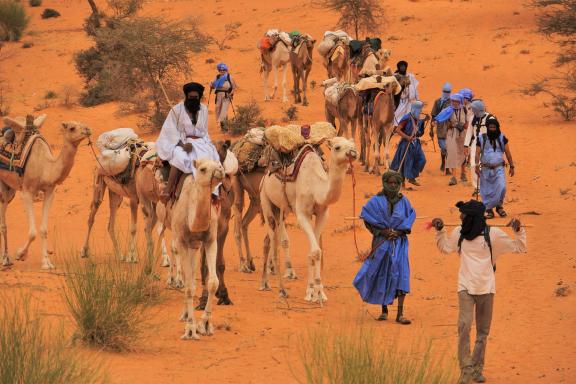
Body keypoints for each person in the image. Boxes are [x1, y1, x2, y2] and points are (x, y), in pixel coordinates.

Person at [432, 200, 526, 384]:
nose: (460, 217)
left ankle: (476, 369)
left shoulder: (493, 235)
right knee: (464, 328)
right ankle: (465, 371)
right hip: (465, 287)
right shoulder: (459, 232)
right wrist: (440, 230)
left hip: (486, 288)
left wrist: (518, 230)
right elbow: (445, 247)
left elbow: (519, 247)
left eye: (464, 215)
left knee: (483, 332)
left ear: (473, 218)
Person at [353, 170, 416, 325]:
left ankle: (400, 314)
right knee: (382, 273)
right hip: (381, 243)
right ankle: (384, 310)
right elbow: (367, 219)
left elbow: (410, 217)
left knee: (402, 274)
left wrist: (399, 231)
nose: (393, 186)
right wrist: (382, 231)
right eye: (390, 183)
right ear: (385, 183)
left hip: (399, 243)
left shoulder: (404, 201)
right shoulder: (375, 201)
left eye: (396, 183)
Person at [156, 82, 221, 203]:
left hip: (201, 142)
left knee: (214, 157)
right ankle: (168, 191)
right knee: (180, 156)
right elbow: (170, 132)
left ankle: (215, 191)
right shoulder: (176, 110)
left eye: (195, 98)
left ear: (199, 97)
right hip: (181, 142)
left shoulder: (204, 109)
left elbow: (204, 131)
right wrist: (182, 145)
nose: (193, 100)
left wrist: (207, 143)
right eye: (190, 97)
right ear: (186, 96)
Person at [475, 116, 515, 219]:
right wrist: (475, 166)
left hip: (499, 168)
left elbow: (508, 153)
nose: (492, 129)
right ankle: (489, 210)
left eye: (494, 127)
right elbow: (477, 153)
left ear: (497, 127)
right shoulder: (481, 138)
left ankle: (499, 206)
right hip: (485, 169)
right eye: (490, 127)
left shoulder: (502, 138)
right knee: (487, 191)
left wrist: (512, 166)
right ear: (487, 127)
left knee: (502, 187)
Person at [390, 101, 428, 186]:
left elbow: (420, 132)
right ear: (415, 109)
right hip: (406, 144)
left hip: (416, 143)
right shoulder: (406, 118)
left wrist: (424, 122)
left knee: (422, 160)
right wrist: (407, 137)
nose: (420, 111)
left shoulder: (418, 119)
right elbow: (397, 130)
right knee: (404, 163)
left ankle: (412, 177)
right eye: (419, 109)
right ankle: (402, 182)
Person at [435, 93, 469, 185]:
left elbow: (467, 124)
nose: (454, 103)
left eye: (456, 101)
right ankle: (453, 177)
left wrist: (462, 126)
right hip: (452, 134)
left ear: (460, 101)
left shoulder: (464, 109)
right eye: (453, 101)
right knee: (452, 154)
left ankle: (463, 172)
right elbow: (446, 123)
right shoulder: (448, 110)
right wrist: (454, 125)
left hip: (462, 134)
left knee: (463, 153)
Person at [465, 100, 493, 194]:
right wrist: (466, 145)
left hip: (488, 145)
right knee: (473, 165)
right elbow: (469, 132)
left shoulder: (490, 118)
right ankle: (477, 188)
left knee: (486, 166)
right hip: (475, 144)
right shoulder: (472, 118)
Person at [430, 82, 453, 173]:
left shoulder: (453, 102)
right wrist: (431, 130)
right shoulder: (438, 102)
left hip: (449, 128)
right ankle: (443, 162)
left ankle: (447, 167)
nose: (446, 93)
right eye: (445, 91)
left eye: (448, 91)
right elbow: (433, 116)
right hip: (439, 128)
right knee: (443, 147)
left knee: (448, 148)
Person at [210, 63, 236, 132]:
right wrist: (211, 85)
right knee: (217, 108)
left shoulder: (229, 77)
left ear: (226, 70)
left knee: (224, 111)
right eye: (221, 70)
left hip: (226, 95)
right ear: (219, 70)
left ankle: (224, 127)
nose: (222, 71)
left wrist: (231, 94)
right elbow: (212, 83)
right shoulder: (217, 77)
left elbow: (234, 87)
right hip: (218, 95)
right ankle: (222, 126)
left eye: (224, 70)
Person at [393, 60, 419, 126]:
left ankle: (406, 128)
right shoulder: (395, 76)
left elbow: (415, 88)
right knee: (397, 115)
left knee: (409, 115)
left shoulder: (410, 76)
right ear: (398, 67)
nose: (403, 68)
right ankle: (397, 128)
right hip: (399, 100)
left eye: (404, 66)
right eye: (401, 66)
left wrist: (417, 100)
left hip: (409, 100)